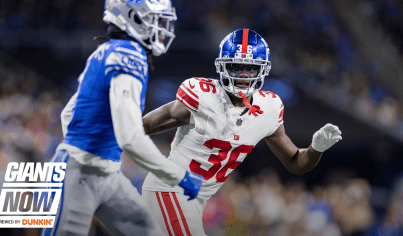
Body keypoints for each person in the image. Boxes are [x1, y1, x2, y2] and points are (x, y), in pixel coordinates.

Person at [141, 28, 342, 235]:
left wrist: (315, 148)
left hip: (195, 199)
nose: (244, 75)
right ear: (223, 66)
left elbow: (296, 164)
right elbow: (143, 126)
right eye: (237, 67)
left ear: (263, 70)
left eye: (251, 68)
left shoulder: (268, 109)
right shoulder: (202, 96)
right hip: (169, 189)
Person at [42, 0, 203, 235]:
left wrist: (88, 150)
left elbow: (69, 114)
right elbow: (130, 137)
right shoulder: (130, 55)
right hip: (80, 175)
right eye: (154, 19)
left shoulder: (105, 51)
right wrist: (178, 176)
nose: (160, 27)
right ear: (132, 17)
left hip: (102, 173)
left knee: (148, 230)